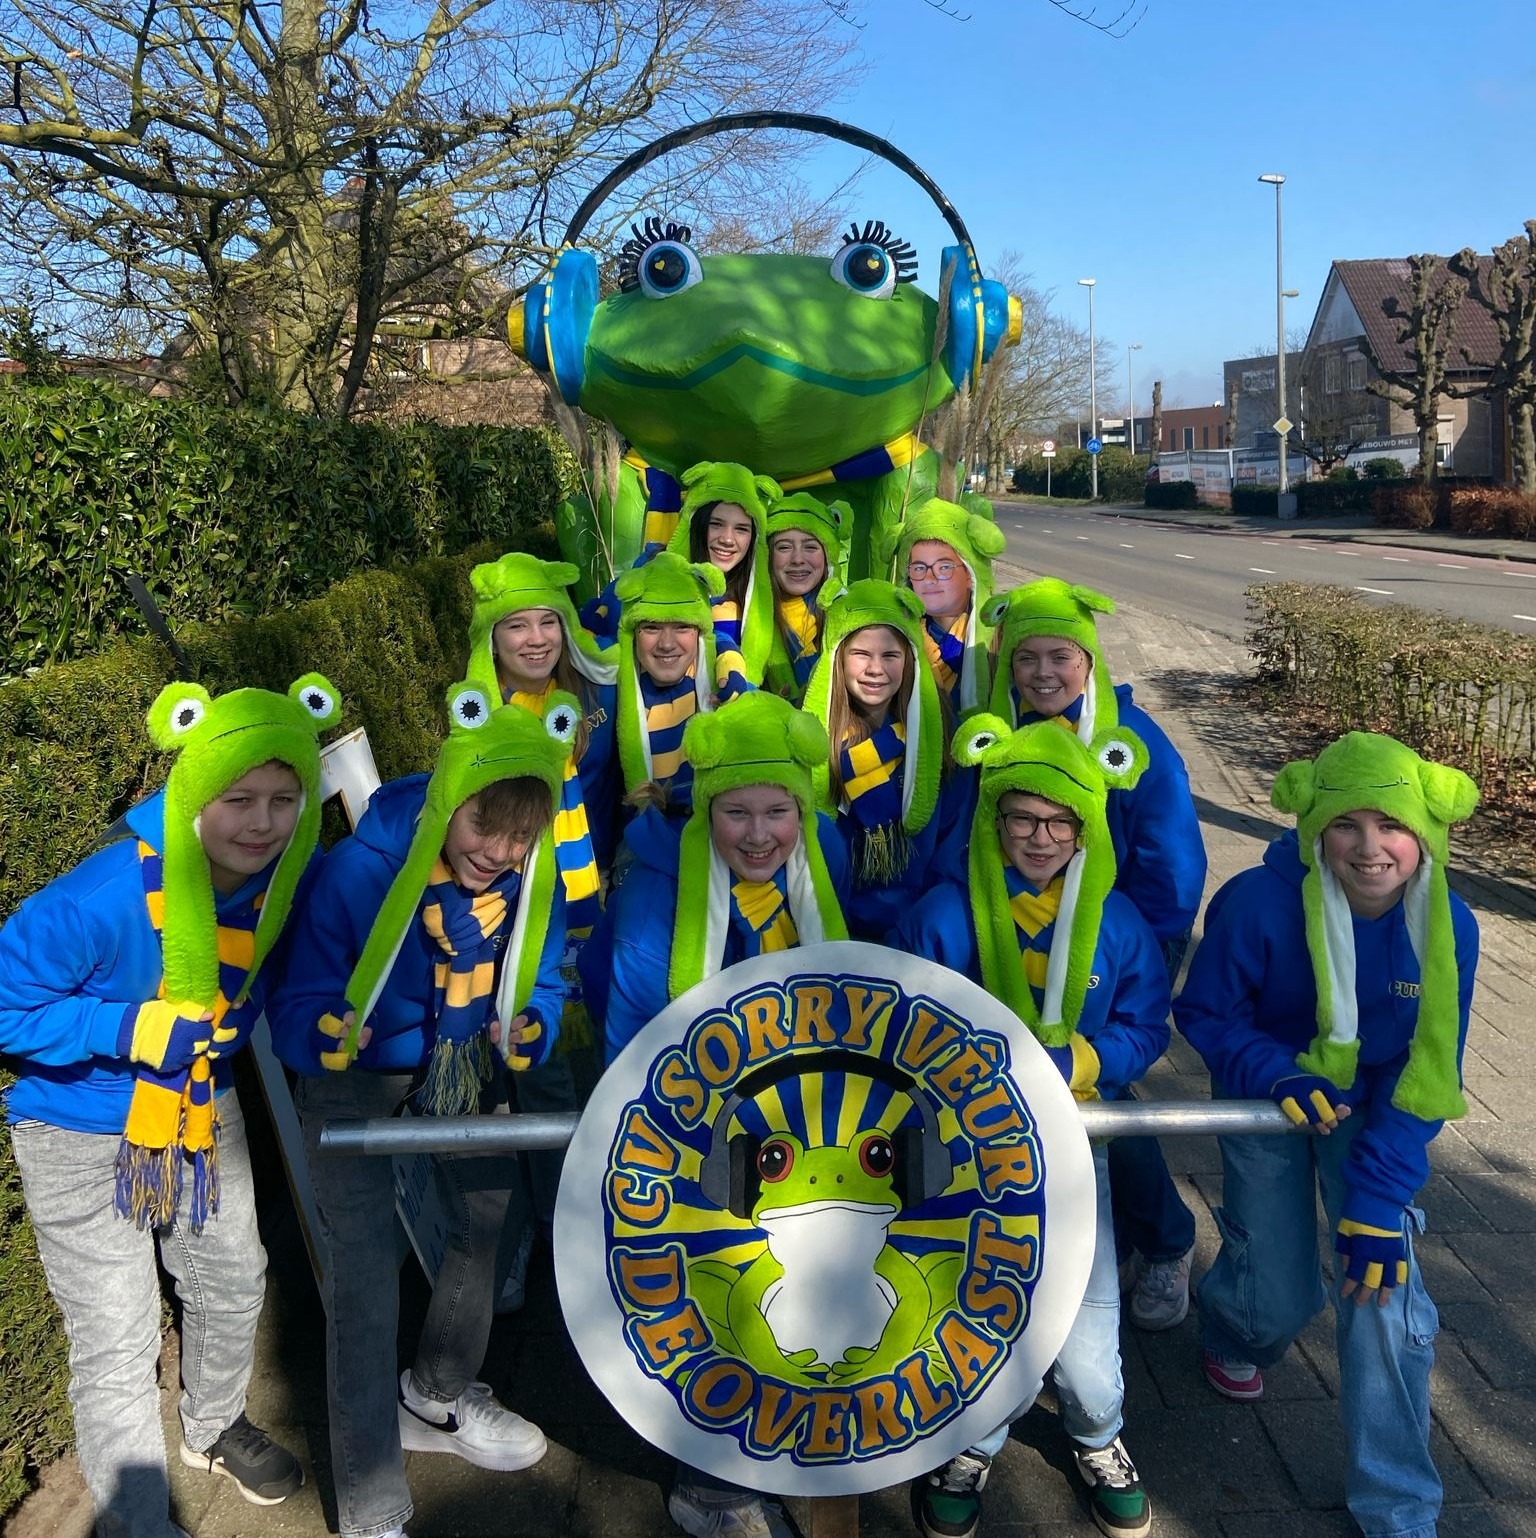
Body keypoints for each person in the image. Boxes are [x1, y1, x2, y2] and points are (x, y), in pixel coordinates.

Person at [0, 674, 340, 1535]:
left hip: (200, 1107)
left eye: (284, 800)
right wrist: (124, 1027)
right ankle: (138, 1525)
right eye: (239, 799)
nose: (262, 823)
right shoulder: (99, 899)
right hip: (77, 1129)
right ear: (194, 792)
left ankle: (214, 1426)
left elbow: (273, 982)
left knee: (235, 1278)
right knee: (118, 1345)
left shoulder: (285, 878)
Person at [268, 685, 576, 1538]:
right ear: (449, 801)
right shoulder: (360, 872)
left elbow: (545, 974)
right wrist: (322, 1035)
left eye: (520, 838)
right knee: (364, 1276)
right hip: (354, 1072)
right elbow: (296, 998)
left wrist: (535, 1022)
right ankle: (371, 1506)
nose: (498, 853)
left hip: (464, 1057)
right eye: (484, 826)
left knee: (489, 1214)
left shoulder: (532, 878)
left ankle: (435, 1395)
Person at [1176, 731, 1479, 1538]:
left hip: (1376, 1105)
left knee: (1382, 1293)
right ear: (1315, 827)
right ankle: (1233, 1323)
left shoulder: (1449, 922)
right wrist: (1276, 1070)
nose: (1371, 848)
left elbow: (1430, 1069)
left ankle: (1397, 1505)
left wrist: (1380, 1200)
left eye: (1393, 825)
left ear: (1427, 831)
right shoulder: (1256, 902)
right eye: (1347, 824)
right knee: (1274, 1299)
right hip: (1268, 1093)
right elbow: (1205, 1013)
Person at [580, 689, 850, 1537]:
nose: (760, 835)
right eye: (738, 812)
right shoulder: (654, 896)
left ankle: (800, 1446)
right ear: (707, 810)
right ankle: (711, 1486)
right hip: (698, 1127)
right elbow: (635, 1039)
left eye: (778, 812)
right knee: (722, 1296)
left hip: (809, 1124)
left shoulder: (826, 857)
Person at [893, 714, 1168, 1538]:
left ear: (1085, 829)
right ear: (993, 818)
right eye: (1021, 818)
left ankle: (1098, 1433)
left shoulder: (1118, 923)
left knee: (1085, 1334)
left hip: (1075, 1150)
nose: (1040, 838)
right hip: (964, 1154)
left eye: (1059, 822)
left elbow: (1146, 1024)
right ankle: (971, 1442)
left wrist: (1086, 1057)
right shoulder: (944, 914)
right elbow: (898, 1023)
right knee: (970, 1302)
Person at [985, 575, 1207, 1332]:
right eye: (1027, 658)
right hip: (1019, 928)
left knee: (1101, 1089)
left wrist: (1135, 942)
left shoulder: (1134, 738)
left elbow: (1172, 857)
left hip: (1119, 940)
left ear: (1090, 660)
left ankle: (1167, 1239)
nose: (1043, 673)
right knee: (1034, 1088)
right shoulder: (1002, 732)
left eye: (1061, 657)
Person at [465, 551, 620, 1303]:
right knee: (536, 1068)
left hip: (583, 903)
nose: (535, 639)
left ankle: (575, 1217)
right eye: (516, 626)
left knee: (570, 1066)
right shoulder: (476, 716)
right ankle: (555, 1235)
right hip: (513, 912)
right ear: (489, 641)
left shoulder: (588, 697)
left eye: (547, 622)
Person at [799, 579, 962, 941]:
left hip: (913, 933)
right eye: (861, 654)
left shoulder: (940, 737)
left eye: (890, 656)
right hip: (831, 924)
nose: (875, 669)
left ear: (910, 660)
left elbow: (950, 852)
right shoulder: (810, 737)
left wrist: (913, 934)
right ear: (838, 658)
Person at [611, 550, 751, 821]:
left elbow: (719, 641)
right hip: (641, 830)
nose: (666, 644)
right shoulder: (611, 687)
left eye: (682, 627)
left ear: (700, 631)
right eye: (651, 627)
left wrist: (731, 660)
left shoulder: (726, 690)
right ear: (632, 632)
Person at [884, 496, 1006, 713]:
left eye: (945, 567)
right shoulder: (895, 638)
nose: (930, 578)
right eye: (919, 568)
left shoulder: (1000, 640)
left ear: (970, 576)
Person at [668, 459, 782, 682]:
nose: (728, 539)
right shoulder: (651, 576)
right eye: (716, 524)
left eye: (741, 529)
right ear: (696, 525)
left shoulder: (760, 602)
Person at [762, 492, 847, 700]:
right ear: (767, 554)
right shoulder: (749, 618)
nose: (797, 559)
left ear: (827, 556)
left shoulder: (846, 609)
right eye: (784, 547)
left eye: (810, 547)